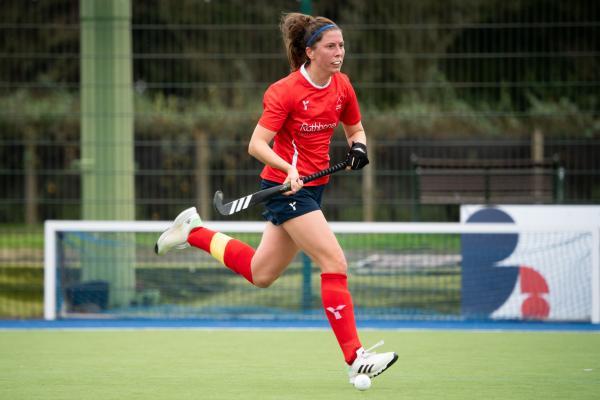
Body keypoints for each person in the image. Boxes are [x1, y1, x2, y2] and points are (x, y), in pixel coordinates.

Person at [155, 12, 397, 385]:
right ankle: (356, 357)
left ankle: (193, 232)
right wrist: (288, 169)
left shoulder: (342, 86)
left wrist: (359, 148)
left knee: (261, 273)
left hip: (312, 189)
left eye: (342, 46)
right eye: (331, 46)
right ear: (310, 51)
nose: (339, 53)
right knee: (334, 261)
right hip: (286, 190)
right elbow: (256, 145)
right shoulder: (284, 92)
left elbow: (356, 129)